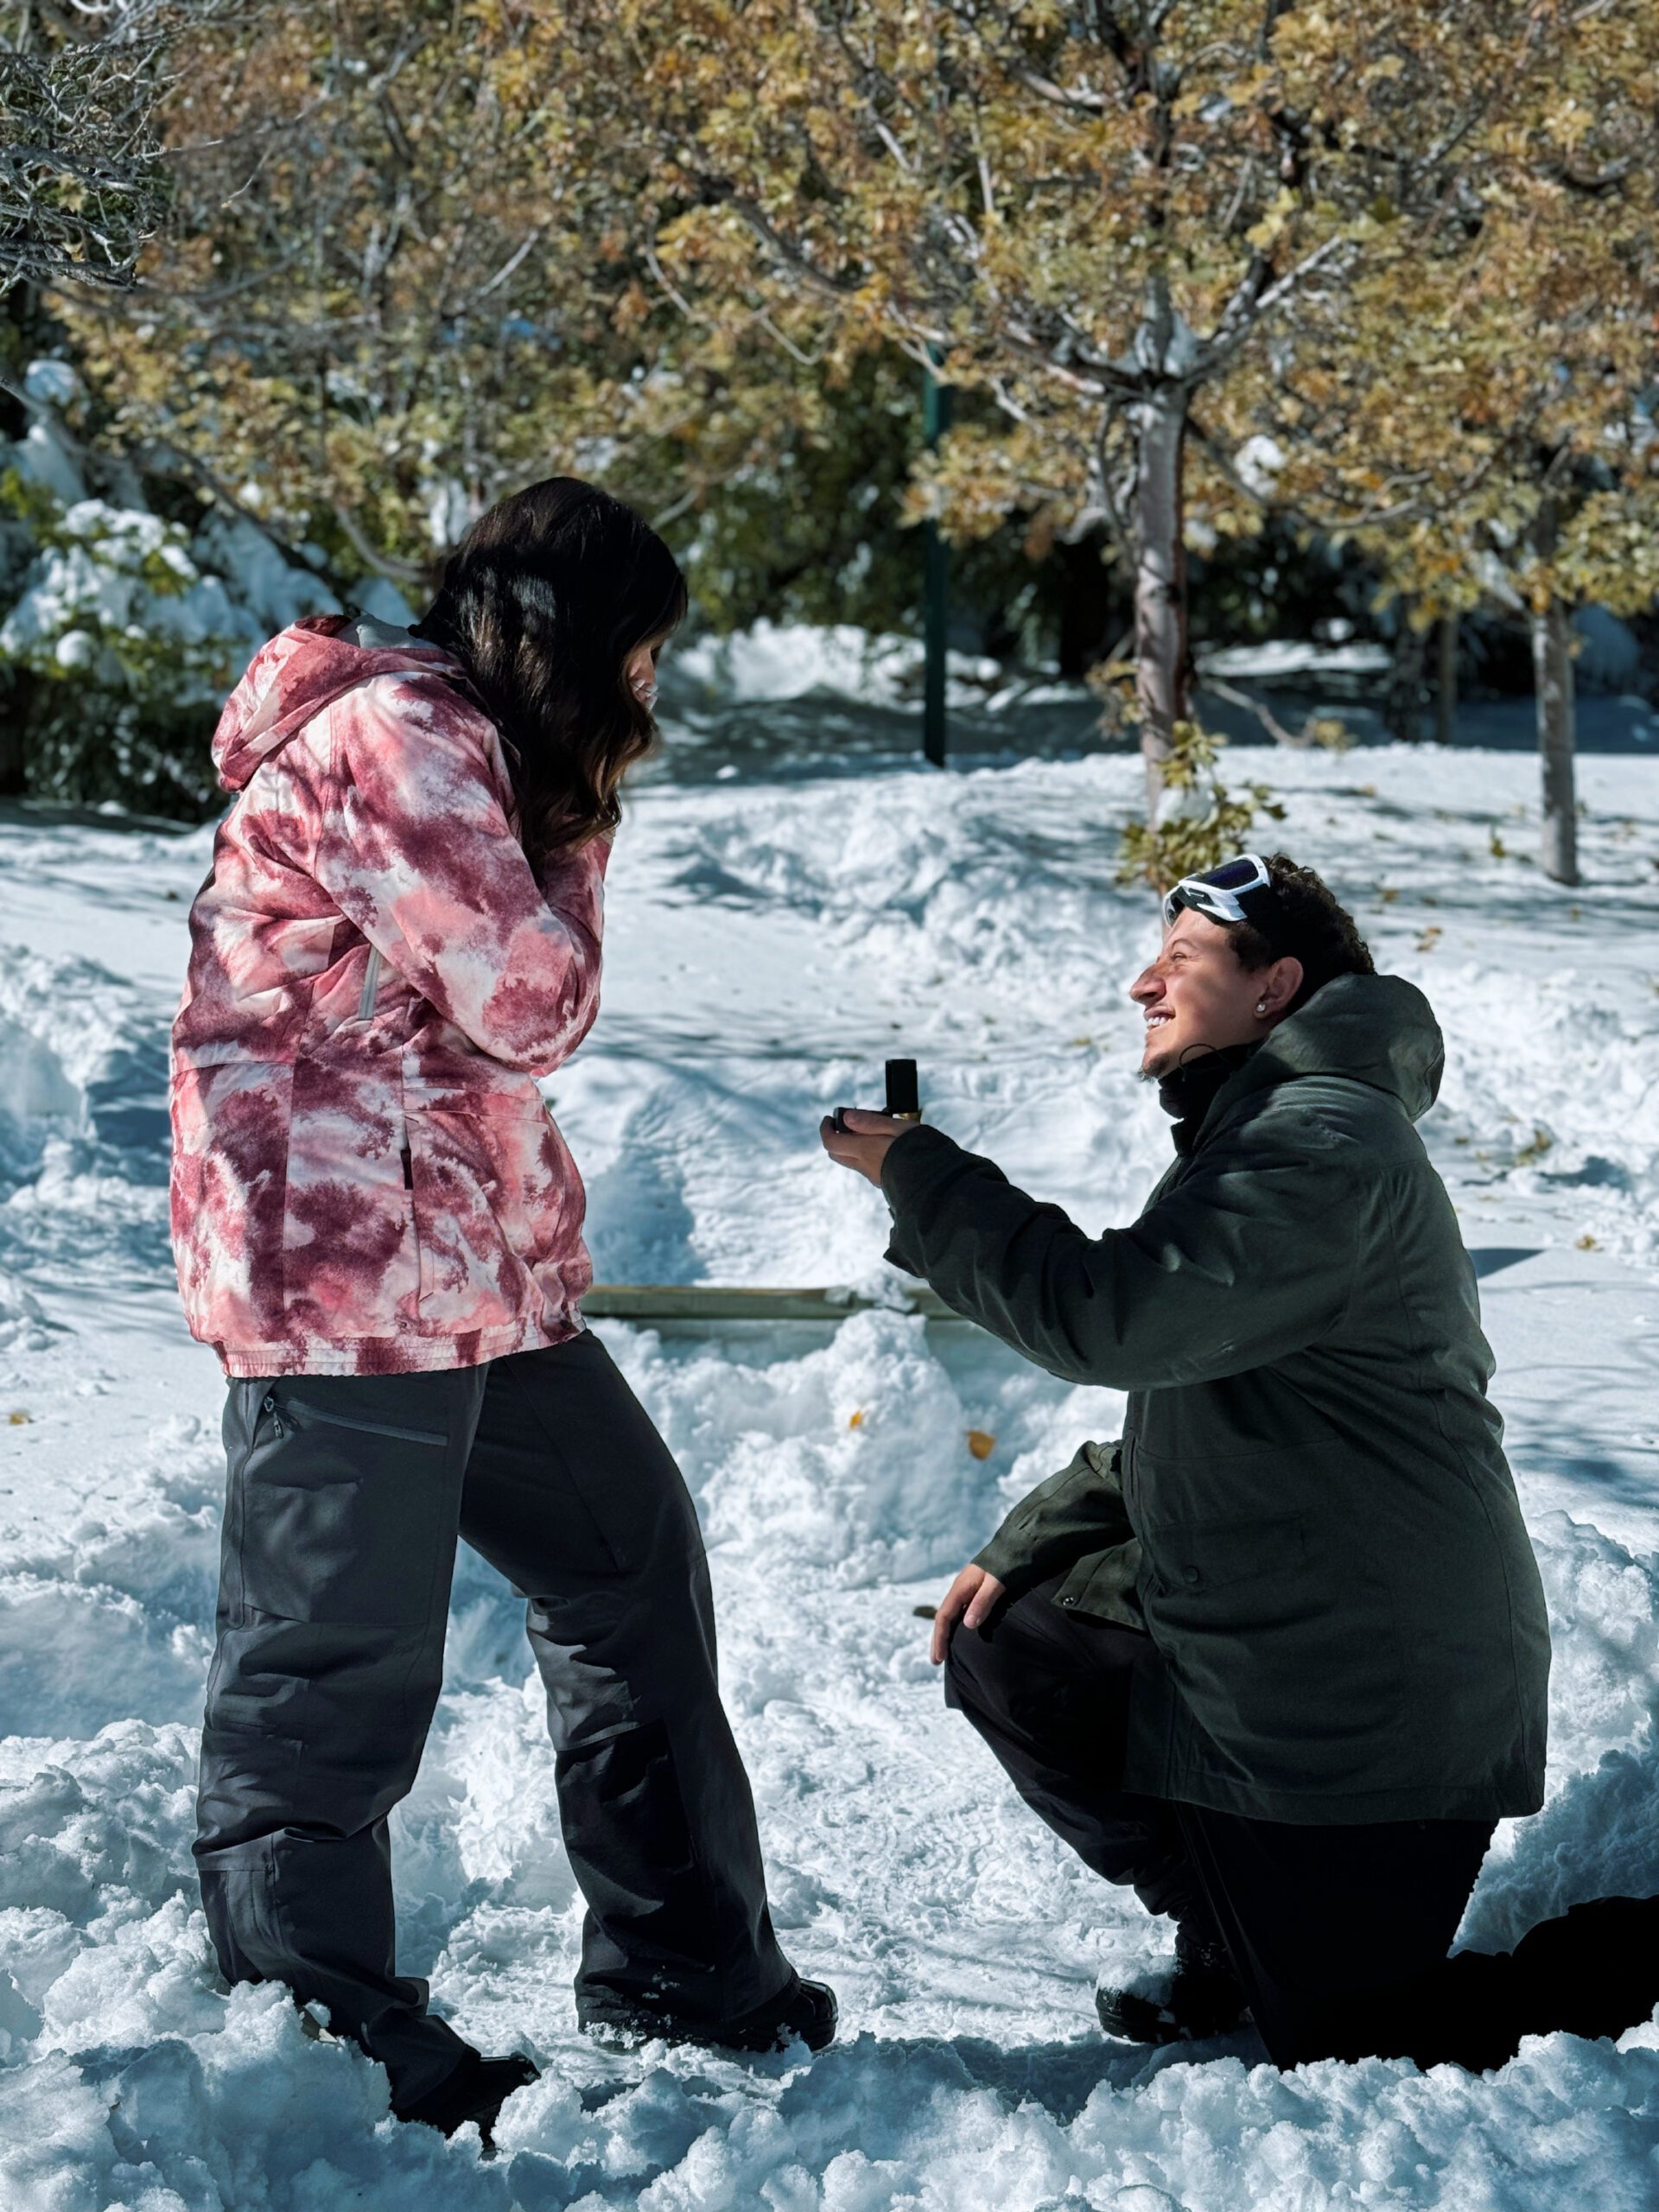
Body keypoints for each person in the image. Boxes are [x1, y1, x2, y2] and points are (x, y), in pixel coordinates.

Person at [171, 477, 834, 2147]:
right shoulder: (402, 734)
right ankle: (315, 2052)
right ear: (562, 637)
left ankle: (688, 1966)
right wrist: (585, 822)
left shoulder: (452, 736)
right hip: (344, 1281)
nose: (649, 699)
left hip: (464, 1275)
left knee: (627, 1561)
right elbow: (530, 1000)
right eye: (643, 660)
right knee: (330, 1671)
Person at [822, 853, 1657, 2070]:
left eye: (1181, 960)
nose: (1140, 984)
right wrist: (1035, 1532)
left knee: (1361, 2051)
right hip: (1297, 1664)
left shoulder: (1319, 1147)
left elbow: (1112, 1318)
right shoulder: (1271, 1129)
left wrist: (918, 1171)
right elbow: (1206, 1397)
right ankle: (1230, 1933)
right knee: (1018, 1640)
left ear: (1276, 987)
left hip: (1371, 1713)